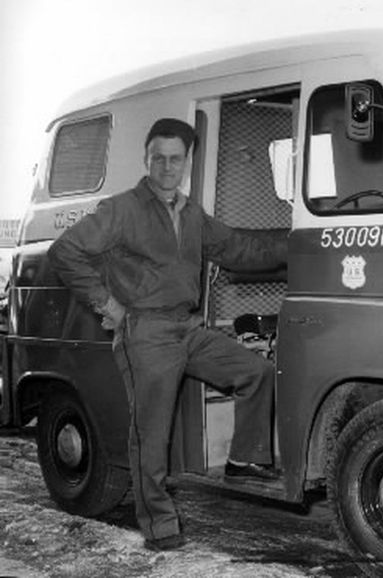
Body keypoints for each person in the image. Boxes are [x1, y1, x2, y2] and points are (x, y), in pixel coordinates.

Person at [48, 118, 287, 552]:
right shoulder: (122, 209)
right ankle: (158, 526)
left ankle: (244, 458)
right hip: (145, 333)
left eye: (175, 159)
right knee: (150, 434)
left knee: (256, 372)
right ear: (146, 158)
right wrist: (110, 307)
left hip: (186, 327)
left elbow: (239, 249)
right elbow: (65, 251)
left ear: (186, 163)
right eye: (158, 158)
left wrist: (304, 241)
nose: (166, 166)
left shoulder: (192, 213)